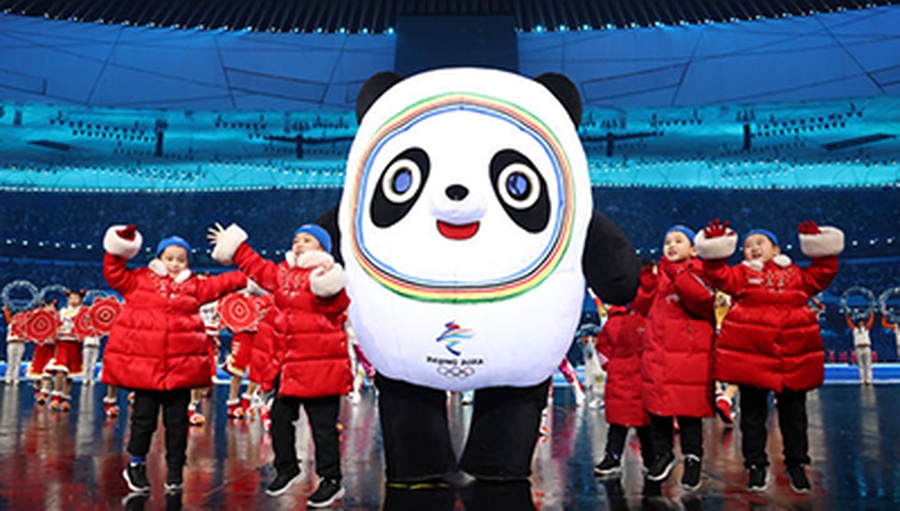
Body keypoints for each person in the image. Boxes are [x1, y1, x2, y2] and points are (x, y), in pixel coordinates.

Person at [695, 219, 843, 494]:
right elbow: (716, 276)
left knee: (794, 417)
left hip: (792, 356)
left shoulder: (796, 275)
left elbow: (824, 273)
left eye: (759, 243)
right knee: (752, 417)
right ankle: (755, 465)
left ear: (776, 250)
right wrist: (715, 252)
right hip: (752, 357)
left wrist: (821, 248)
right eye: (747, 245)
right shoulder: (740, 275)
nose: (752, 249)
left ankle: (797, 465)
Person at [209, 221, 351, 507]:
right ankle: (287, 468)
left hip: (320, 368)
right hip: (289, 368)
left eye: (307, 240)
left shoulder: (327, 276)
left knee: (323, 428)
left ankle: (330, 480)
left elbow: (339, 306)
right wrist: (235, 246)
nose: (299, 244)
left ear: (323, 248)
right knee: (280, 419)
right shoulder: (283, 274)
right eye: (297, 239)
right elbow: (257, 267)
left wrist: (329, 282)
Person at [102, 225, 247, 494]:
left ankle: (176, 470)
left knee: (177, 424)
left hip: (180, 372)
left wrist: (246, 264)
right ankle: (136, 465)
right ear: (159, 258)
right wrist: (119, 245)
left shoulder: (194, 286)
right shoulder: (138, 280)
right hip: (146, 371)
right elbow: (113, 271)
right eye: (170, 258)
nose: (175, 264)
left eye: (181, 259)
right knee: (143, 421)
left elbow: (226, 281)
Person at [633, 226, 716, 491]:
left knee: (689, 411)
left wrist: (678, 273)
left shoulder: (698, 271)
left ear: (693, 249)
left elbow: (702, 299)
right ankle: (663, 454)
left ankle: (693, 459)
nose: (671, 245)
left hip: (688, 355)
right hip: (658, 353)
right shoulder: (661, 276)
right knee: (657, 408)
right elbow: (641, 308)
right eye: (667, 241)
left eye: (678, 241)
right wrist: (646, 284)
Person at [592, 301, 653, 478]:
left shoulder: (613, 322)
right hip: (643, 377)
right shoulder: (646, 319)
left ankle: (613, 457)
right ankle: (650, 459)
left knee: (618, 424)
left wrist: (611, 366)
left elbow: (602, 349)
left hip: (620, 379)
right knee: (644, 424)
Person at [47, 289, 86, 411]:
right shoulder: (63, 312)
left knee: (70, 374)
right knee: (60, 369)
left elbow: (87, 328)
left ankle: (65, 397)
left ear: (80, 300)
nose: (73, 300)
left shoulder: (84, 313)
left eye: (76, 298)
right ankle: (56, 396)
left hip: (75, 345)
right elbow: (54, 324)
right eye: (71, 298)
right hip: (62, 343)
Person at [847, 314, 874, 385]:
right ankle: (862, 380)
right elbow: (849, 323)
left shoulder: (866, 329)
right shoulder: (855, 330)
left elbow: (870, 322)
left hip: (866, 348)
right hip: (858, 348)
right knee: (860, 365)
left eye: (862, 322)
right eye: (859, 322)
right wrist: (847, 315)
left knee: (868, 365)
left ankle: (869, 380)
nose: (861, 323)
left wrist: (871, 314)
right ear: (857, 323)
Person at [4, 307, 26, 384]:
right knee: (11, 361)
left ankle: (16, 377)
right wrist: (6, 308)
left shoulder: (24, 325)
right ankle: (8, 377)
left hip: (20, 343)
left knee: (18, 361)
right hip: (11, 343)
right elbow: (7, 316)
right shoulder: (11, 323)